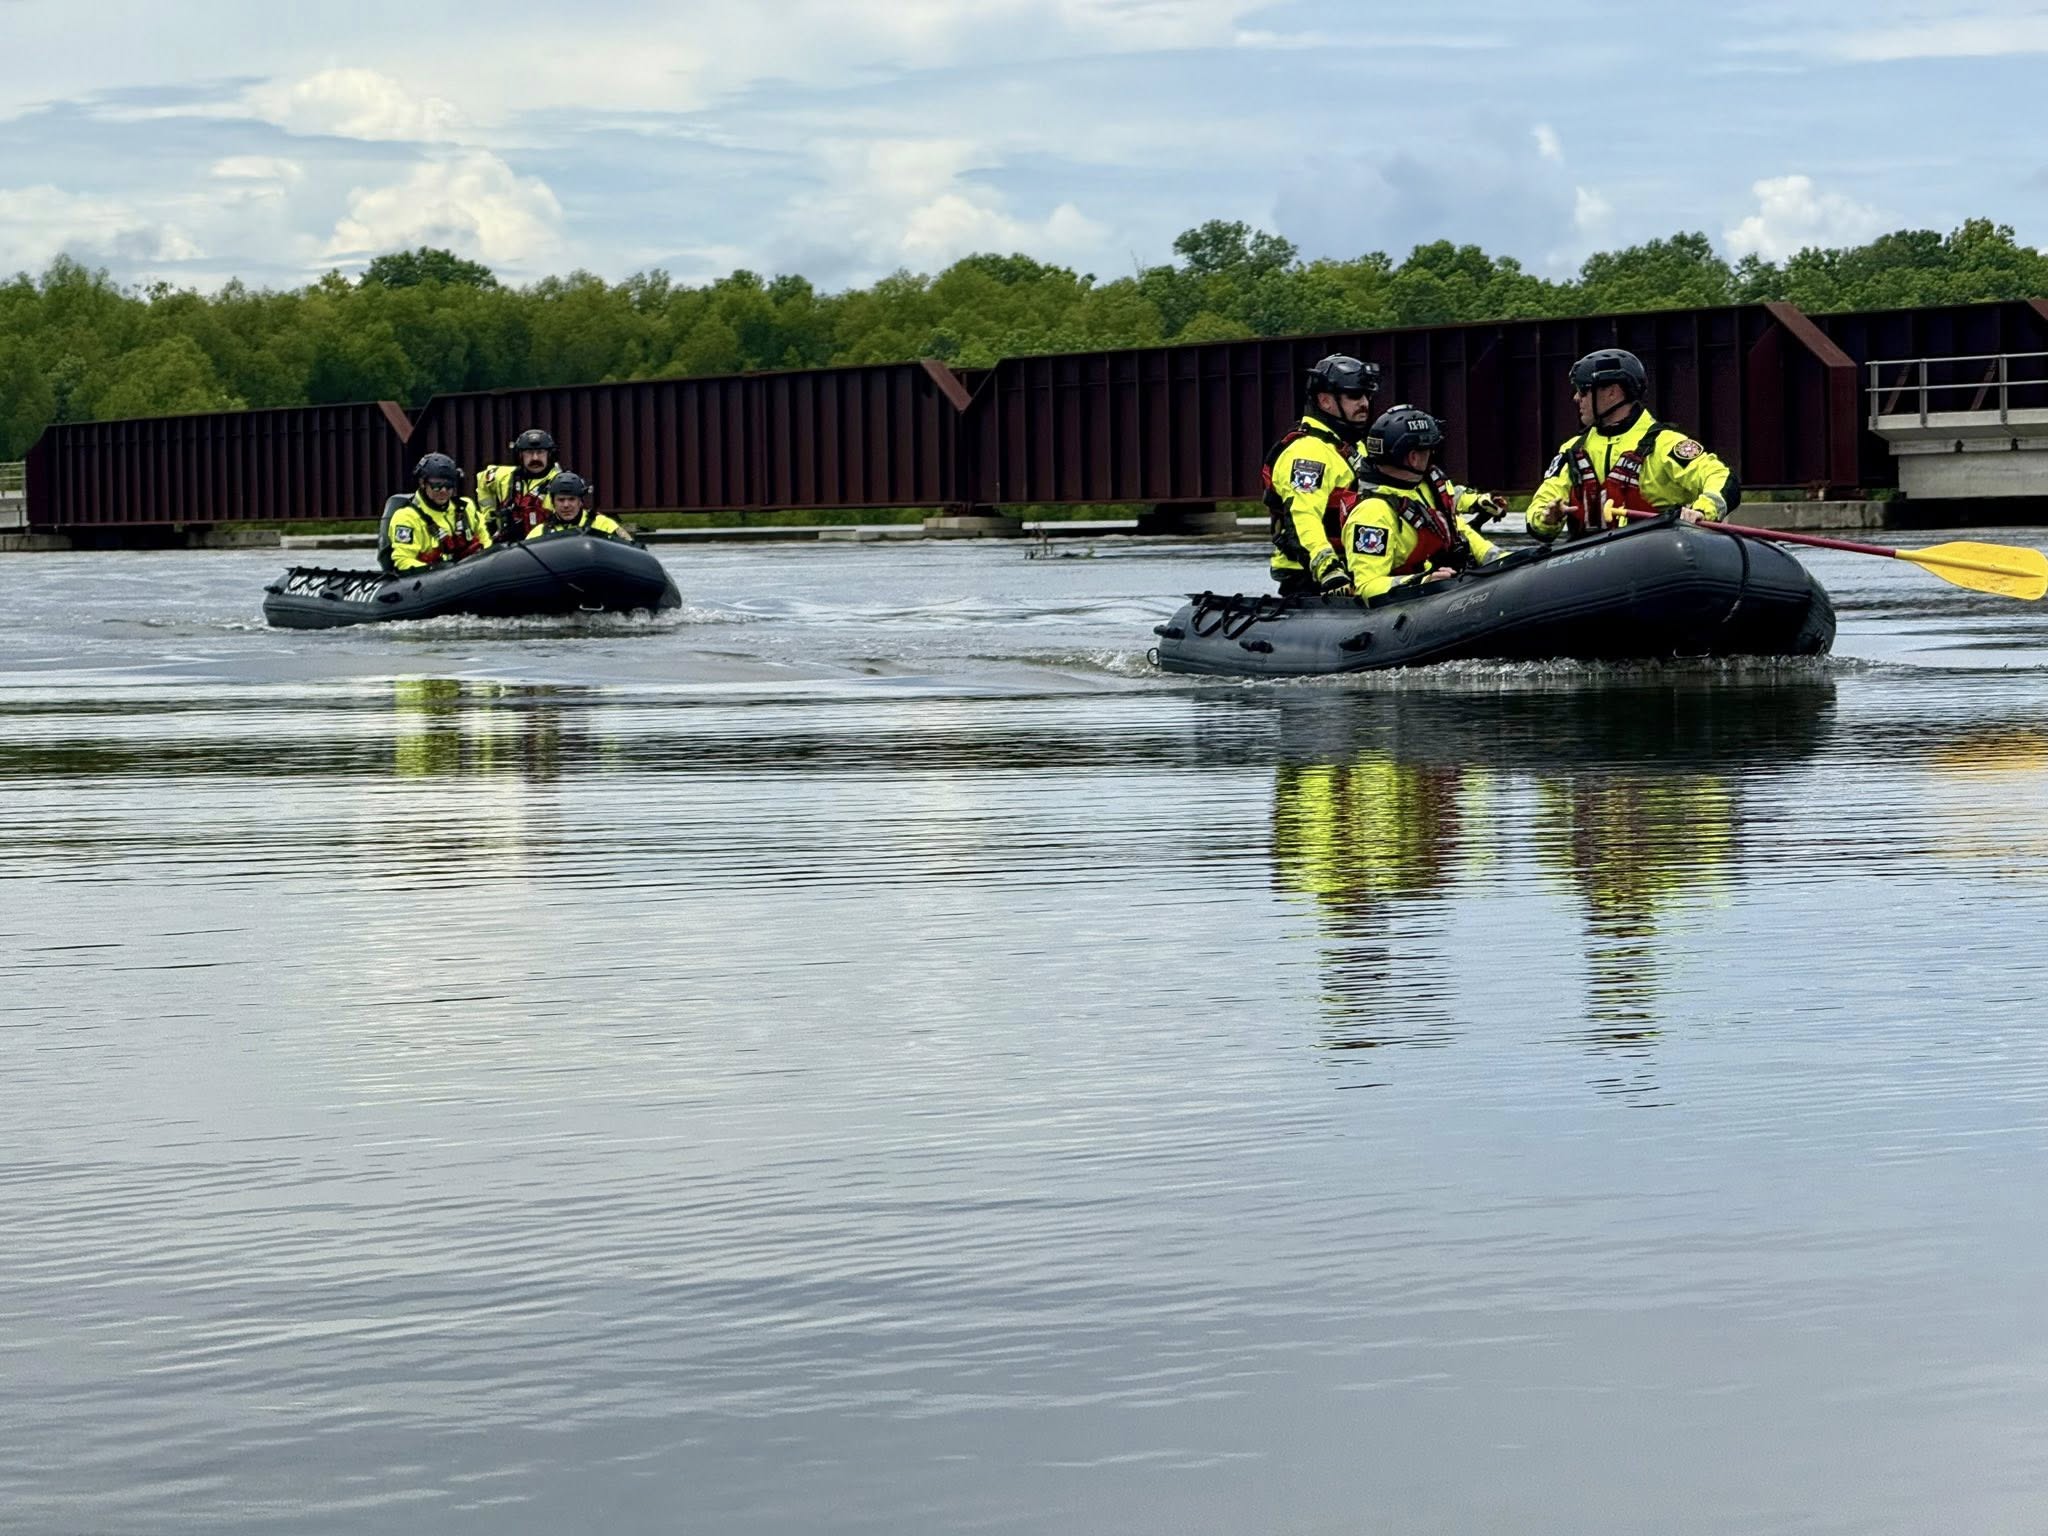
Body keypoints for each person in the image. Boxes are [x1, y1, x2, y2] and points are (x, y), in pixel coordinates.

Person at [1525, 349, 1739, 541]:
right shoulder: (1572, 450)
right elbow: (1543, 502)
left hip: (1656, 552)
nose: (1575, 398)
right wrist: (1547, 518)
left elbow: (1720, 477)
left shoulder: (1665, 443)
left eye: (1583, 390)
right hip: (1589, 560)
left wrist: (1703, 509)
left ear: (1612, 392)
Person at [1334, 405, 1505, 599]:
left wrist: (1497, 558)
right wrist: (1423, 582)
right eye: (1428, 450)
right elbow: (1367, 586)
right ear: (1413, 457)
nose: (1431, 456)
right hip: (1411, 602)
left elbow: (1456, 527)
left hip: (1451, 582)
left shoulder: (1422, 486)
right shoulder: (1372, 513)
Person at [1264, 353, 1381, 596]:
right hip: (1313, 577)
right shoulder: (1308, 453)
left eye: (1367, 395)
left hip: (1360, 568)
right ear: (1326, 401)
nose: (1364, 403)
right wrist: (1327, 568)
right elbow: (1303, 517)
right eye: (1355, 395)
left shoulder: (1355, 448)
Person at [379, 453, 491, 574]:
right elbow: (403, 561)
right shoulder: (407, 517)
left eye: (449, 485)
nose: (443, 491)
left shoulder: (466, 507)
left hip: (470, 573)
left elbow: (486, 542)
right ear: (423, 483)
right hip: (429, 578)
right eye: (436, 485)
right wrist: (443, 572)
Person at [475, 427, 564, 543]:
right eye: (529, 453)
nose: (535, 458)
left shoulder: (560, 483)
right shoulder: (504, 475)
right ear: (520, 455)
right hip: (507, 546)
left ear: (550, 455)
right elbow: (482, 479)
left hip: (544, 546)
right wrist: (489, 518)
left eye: (540, 452)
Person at [525, 472, 630, 541]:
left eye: (572, 499)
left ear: (580, 502)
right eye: (561, 500)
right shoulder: (540, 532)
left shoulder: (603, 525)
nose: (566, 505)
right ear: (553, 502)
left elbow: (630, 549)